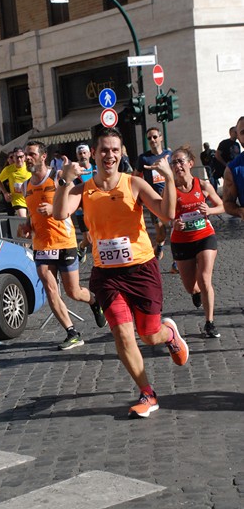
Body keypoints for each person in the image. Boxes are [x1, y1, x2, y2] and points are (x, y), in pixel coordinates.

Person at [53, 126, 189, 418]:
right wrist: (65, 180)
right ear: (94, 152)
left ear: (121, 153)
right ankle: (147, 393)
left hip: (141, 269)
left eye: (115, 150)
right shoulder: (84, 188)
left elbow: (166, 214)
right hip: (107, 275)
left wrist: (168, 179)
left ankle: (169, 335)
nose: (109, 155)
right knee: (124, 335)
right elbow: (60, 213)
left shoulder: (134, 183)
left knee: (148, 334)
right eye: (104, 150)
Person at [19, 140, 106, 351]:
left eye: (31, 154)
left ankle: (95, 302)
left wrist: (54, 207)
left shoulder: (57, 177)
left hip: (64, 241)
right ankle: (72, 332)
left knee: (73, 291)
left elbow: (76, 198)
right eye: (26, 155)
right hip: (41, 245)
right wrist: (27, 226)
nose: (27, 158)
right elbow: (31, 214)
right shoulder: (25, 186)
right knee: (50, 288)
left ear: (43, 156)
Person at [169, 146, 224, 338]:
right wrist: (173, 223)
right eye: (173, 162)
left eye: (180, 161)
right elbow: (163, 215)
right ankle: (195, 293)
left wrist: (209, 211)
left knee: (204, 278)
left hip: (204, 236)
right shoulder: (171, 190)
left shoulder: (202, 185)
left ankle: (210, 322)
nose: (177, 165)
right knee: (191, 286)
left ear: (190, 163)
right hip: (181, 241)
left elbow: (222, 205)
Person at [133, 126, 172, 263]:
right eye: (149, 138)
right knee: (161, 233)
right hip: (154, 200)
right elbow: (135, 177)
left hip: (171, 197)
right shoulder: (144, 159)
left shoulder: (169, 155)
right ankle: (159, 246)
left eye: (155, 137)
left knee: (175, 227)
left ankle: (177, 261)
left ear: (160, 137)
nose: (152, 140)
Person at [73, 144, 96, 264]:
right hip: (81, 210)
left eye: (84, 153)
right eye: (80, 153)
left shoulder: (96, 169)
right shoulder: (75, 173)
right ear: (77, 155)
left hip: (97, 209)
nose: (82, 156)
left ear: (89, 154)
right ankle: (81, 247)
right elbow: (70, 191)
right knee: (88, 239)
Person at [0, 146, 30, 217]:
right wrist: (5, 193)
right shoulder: (8, 169)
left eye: (21, 157)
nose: (19, 159)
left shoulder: (29, 166)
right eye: (17, 157)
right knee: (23, 219)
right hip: (17, 200)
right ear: (13, 158)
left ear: (24, 157)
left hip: (30, 198)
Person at [223, 116, 244, 220]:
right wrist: (239, 211)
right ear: (238, 138)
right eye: (243, 132)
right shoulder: (232, 170)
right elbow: (228, 203)